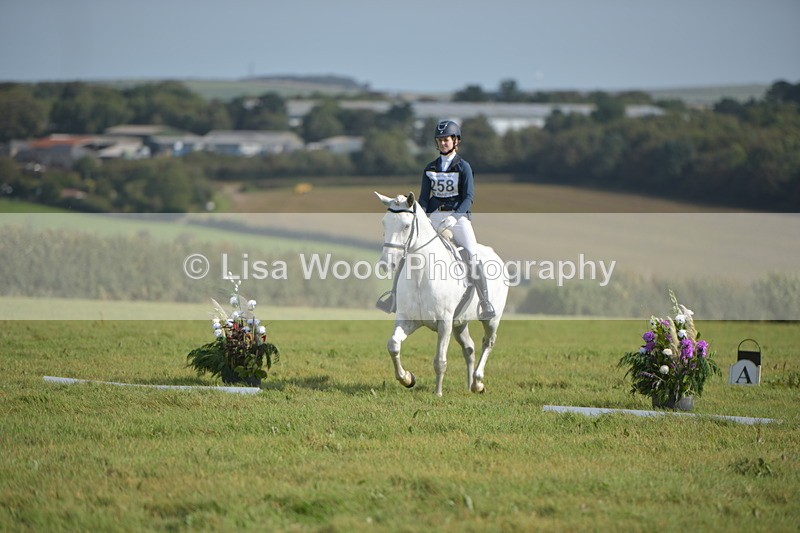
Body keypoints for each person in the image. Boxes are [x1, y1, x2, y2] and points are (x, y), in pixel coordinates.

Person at [418, 119, 496, 320]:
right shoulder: (430, 167)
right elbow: (424, 198)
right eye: (440, 140)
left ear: (455, 141)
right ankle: (394, 295)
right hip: (434, 217)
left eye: (446, 139)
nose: (443, 143)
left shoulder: (464, 167)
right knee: (411, 248)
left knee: (472, 254)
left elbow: (469, 197)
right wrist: (422, 217)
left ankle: (485, 302)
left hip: (458, 218)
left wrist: (456, 217)